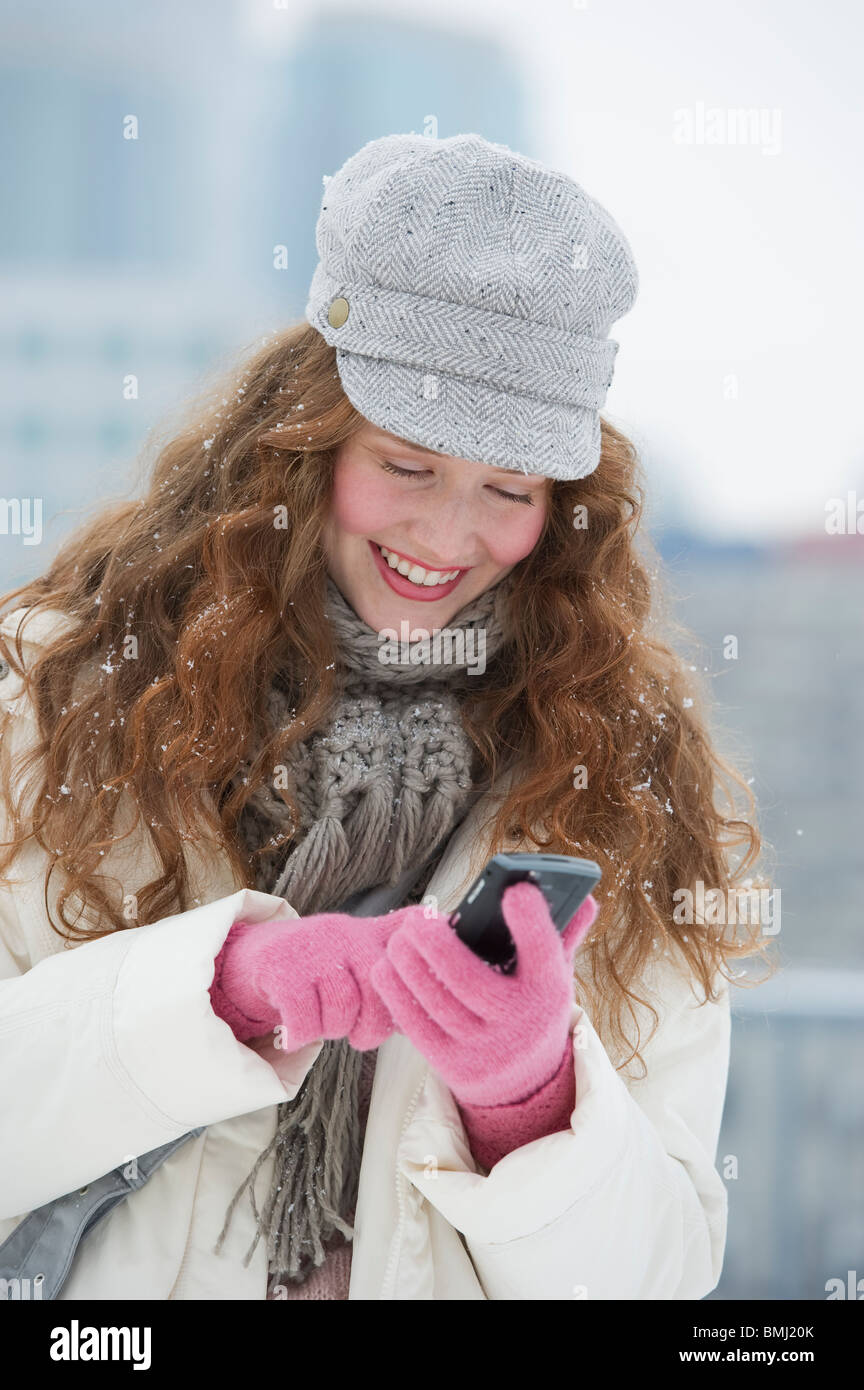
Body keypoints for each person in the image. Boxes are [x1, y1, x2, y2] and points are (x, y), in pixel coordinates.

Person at [0, 132, 772, 1301]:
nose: (448, 537)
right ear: (303, 445)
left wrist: (527, 1098)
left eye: (508, 490)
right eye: (407, 466)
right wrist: (226, 992)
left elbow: (655, 1281)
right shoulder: (58, 694)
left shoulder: (626, 775)